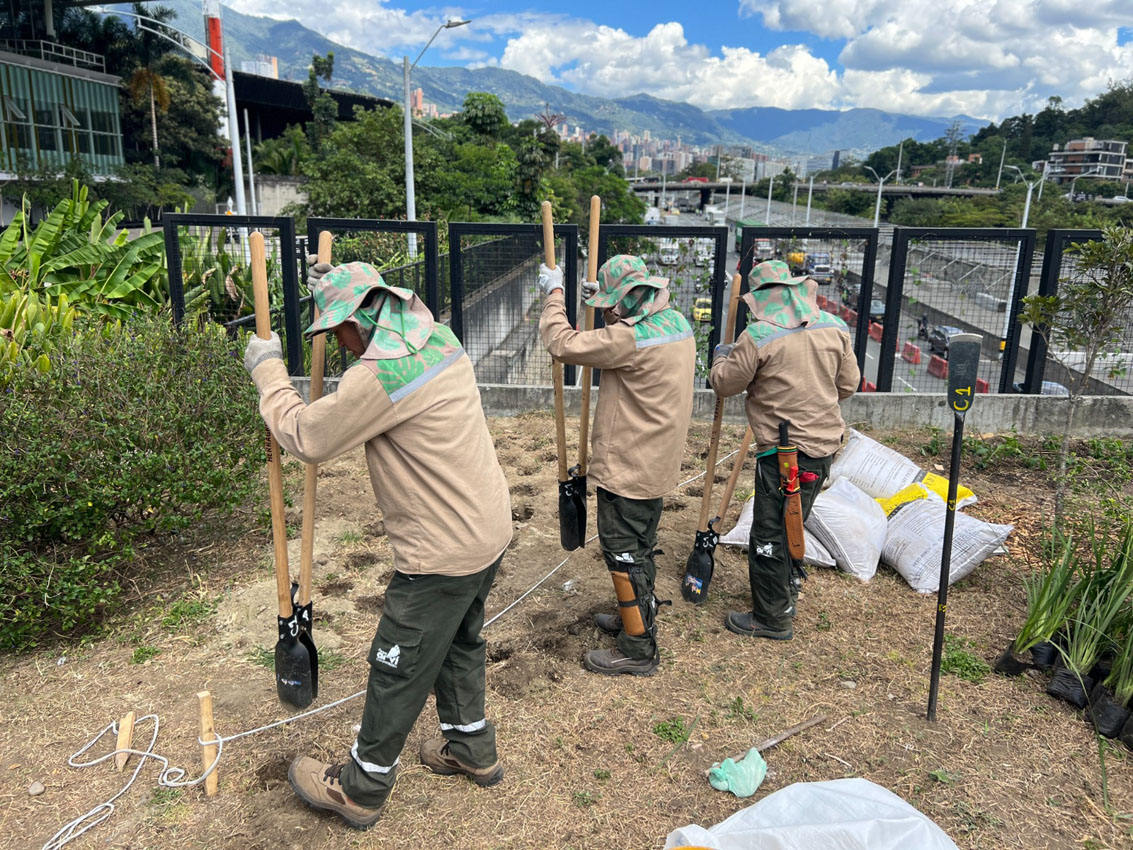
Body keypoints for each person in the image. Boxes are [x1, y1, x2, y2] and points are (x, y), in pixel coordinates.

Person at [243, 260, 511, 829]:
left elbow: (308, 436)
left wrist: (269, 374)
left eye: (336, 327)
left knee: (398, 661)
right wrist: (332, 280)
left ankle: (361, 786)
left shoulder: (381, 374)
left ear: (360, 321)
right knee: (458, 643)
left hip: (441, 552)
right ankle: (471, 748)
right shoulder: (434, 334)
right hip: (486, 528)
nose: (336, 341)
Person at [537, 254, 695, 676]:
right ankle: (636, 613)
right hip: (656, 462)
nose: (609, 311)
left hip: (629, 465)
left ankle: (638, 647)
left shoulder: (628, 339)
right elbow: (623, 330)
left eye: (613, 303)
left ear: (629, 299)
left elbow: (562, 343)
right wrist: (609, 305)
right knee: (640, 546)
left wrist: (555, 293)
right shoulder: (676, 323)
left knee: (622, 553)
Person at [709, 260, 860, 641]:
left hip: (785, 453)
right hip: (823, 447)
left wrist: (721, 357)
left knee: (769, 533)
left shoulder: (759, 336)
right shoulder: (834, 328)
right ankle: (787, 587)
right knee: (794, 520)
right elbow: (848, 386)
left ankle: (772, 617)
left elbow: (726, 385)